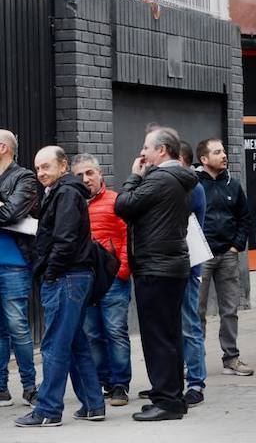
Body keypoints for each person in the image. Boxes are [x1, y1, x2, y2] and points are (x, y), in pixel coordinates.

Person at [16, 146, 103, 428]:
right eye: (38, 168)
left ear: (63, 166)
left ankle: (47, 411)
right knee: (76, 343)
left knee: (54, 345)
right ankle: (93, 405)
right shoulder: (60, 192)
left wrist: (50, 273)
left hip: (66, 277)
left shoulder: (65, 193)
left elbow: (64, 240)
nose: (41, 173)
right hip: (71, 276)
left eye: (46, 167)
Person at [115, 127, 198, 421]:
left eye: (146, 148)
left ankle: (166, 400)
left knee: (157, 337)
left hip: (157, 266)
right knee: (170, 334)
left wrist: (133, 177)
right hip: (170, 266)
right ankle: (172, 396)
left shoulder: (161, 178)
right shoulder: (180, 179)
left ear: (162, 150)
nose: (142, 153)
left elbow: (123, 206)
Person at [72, 154, 131, 407]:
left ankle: (120, 384)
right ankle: (102, 381)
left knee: (115, 331)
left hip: (114, 279)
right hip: (85, 280)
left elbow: (129, 235)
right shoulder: (72, 203)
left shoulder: (116, 201)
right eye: (79, 175)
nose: (85, 179)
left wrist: (123, 269)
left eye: (89, 173)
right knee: (92, 334)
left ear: (100, 174)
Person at [195, 138, 254, 377]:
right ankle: (195, 360)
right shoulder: (193, 185)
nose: (223, 155)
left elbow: (245, 218)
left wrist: (236, 246)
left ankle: (231, 358)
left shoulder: (233, 184)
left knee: (229, 309)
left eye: (223, 151)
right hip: (201, 257)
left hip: (227, 255)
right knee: (196, 310)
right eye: (217, 152)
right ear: (204, 159)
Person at [0, 129, 38, 408]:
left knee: (17, 326)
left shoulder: (23, 177)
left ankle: (29, 386)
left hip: (14, 264)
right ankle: (1, 388)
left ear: (3, 147)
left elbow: (10, 213)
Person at [176, 142, 207, 407]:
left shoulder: (192, 188)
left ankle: (196, 382)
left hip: (187, 267)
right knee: (173, 327)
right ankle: (173, 381)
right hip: (169, 267)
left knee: (189, 326)